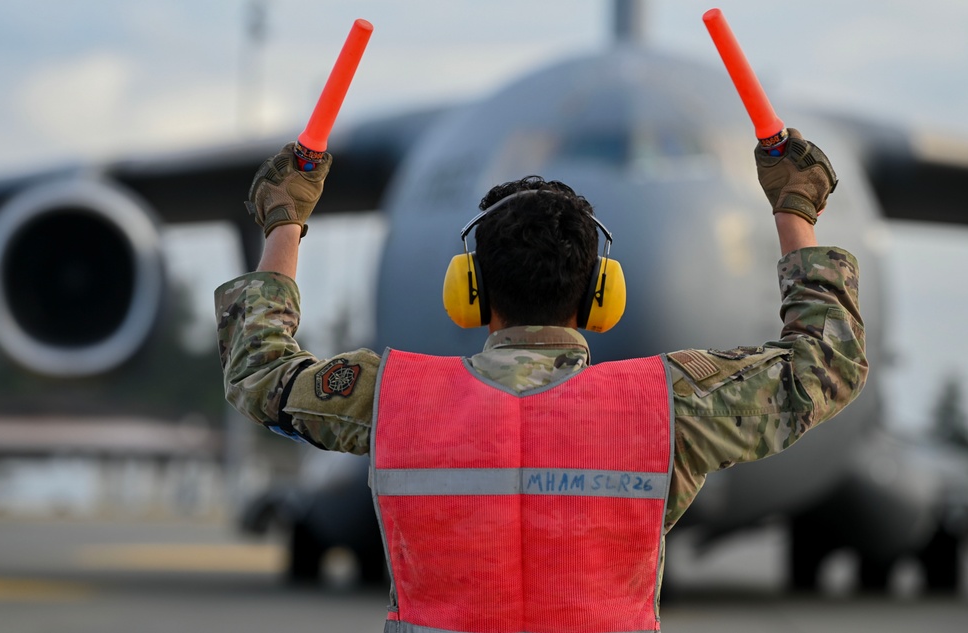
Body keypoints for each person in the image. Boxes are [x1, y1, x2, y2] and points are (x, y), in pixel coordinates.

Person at [215, 130, 866, 632]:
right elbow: (823, 365)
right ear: (598, 295)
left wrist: (283, 222)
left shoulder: (393, 398)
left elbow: (262, 372)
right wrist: (794, 209)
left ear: (468, 291)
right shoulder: (667, 406)